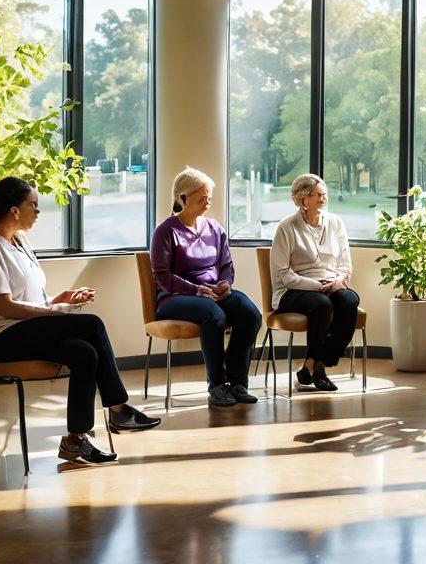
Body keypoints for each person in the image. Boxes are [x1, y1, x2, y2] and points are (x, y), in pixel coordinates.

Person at [0, 177, 160, 466]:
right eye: (33, 205)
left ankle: (74, 442)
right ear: (14, 210)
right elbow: (3, 305)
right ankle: (119, 408)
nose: (38, 211)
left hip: (28, 330)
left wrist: (60, 300)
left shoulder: (21, 241)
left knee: (85, 354)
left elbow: (32, 298)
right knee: (92, 324)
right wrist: (53, 313)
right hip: (0, 338)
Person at [150, 167, 261, 408]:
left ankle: (238, 382)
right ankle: (217, 386)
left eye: (209, 197)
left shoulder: (214, 228)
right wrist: (196, 289)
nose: (207, 203)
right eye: (202, 198)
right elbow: (162, 276)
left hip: (213, 294)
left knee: (250, 313)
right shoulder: (165, 231)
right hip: (175, 297)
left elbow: (226, 264)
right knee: (214, 314)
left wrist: (225, 283)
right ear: (182, 198)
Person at [270, 173, 359, 391]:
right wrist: (318, 286)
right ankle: (318, 368)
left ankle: (314, 363)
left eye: (324, 195)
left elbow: (346, 263)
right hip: (294, 290)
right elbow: (284, 275)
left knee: (349, 300)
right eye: (317, 195)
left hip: (330, 283)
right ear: (302, 199)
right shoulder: (286, 227)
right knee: (322, 304)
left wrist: (339, 281)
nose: (323, 200)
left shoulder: (335, 223)